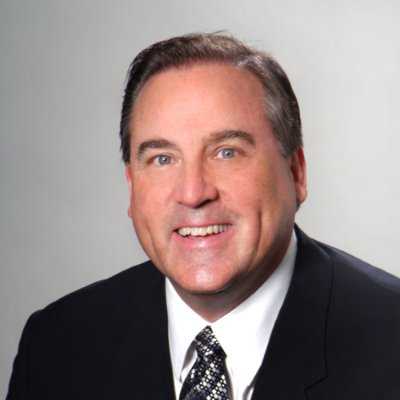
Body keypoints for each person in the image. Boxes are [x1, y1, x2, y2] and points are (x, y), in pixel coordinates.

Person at [7, 33, 400, 400]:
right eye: (162, 159)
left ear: (296, 172)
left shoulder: (390, 340)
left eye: (227, 152)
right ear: (131, 185)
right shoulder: (57, 345)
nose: (193, 193)